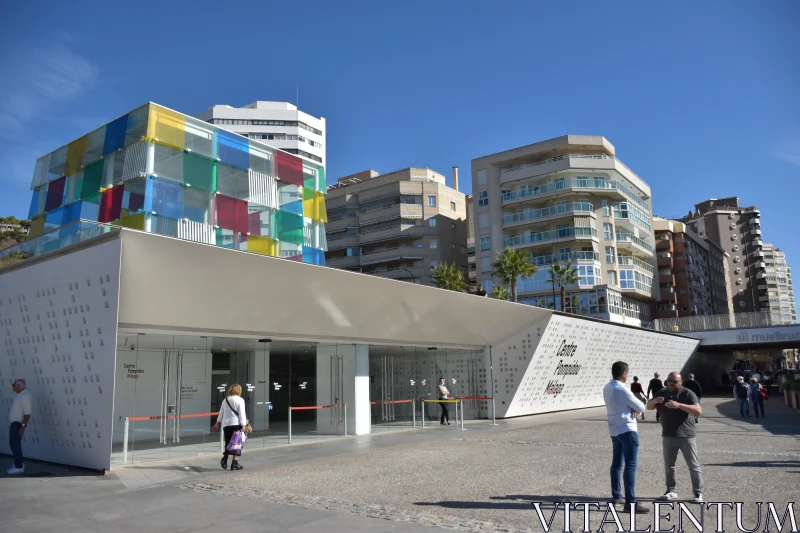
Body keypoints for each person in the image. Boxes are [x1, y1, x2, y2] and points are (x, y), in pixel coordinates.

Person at [647, 372, 704, 503]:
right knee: (669, 465)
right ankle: (671, 491)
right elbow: (649, 407)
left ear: (681, 382)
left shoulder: (687, 393)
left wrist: (679, 405)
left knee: (693, 465)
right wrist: (654, 401)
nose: (671, 383)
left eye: (674, 381)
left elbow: (698, 410)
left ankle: (697, 493)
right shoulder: (662, 392)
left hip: (686, 435)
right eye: (669, 381)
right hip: (668, 434)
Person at [603, 362, 649, 514]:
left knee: (617, 463)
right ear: (624, 373)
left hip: (614, 429)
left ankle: (617, 495)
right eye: (627, 372)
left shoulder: (607, 387)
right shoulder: (623, 390)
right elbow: (642, 407)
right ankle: (630, 503)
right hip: (627, 429)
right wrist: (634, 407)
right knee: (630, 465)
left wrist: (630, 407)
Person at [212, 383, 247, 470]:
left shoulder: (225, 400)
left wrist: (217, 423)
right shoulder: (240, 400)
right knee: (237, 443)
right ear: (239, 390)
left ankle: (225, 459)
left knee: (228, 443)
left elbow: (221, 412)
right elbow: (242, 413)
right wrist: (243, 424)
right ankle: (234, 463)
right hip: (236, 424)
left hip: (226, 424)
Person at [7, 378, 32, 475]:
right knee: (12, 444)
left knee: (16, 445)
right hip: (15, 423)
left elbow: (27, 413)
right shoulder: (21, 395)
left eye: (13, 385)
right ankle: (19, 463)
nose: (12, 387)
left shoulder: (25, 396)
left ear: (18, 386)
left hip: (18, 424)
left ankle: (19, 466)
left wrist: (23, 426)